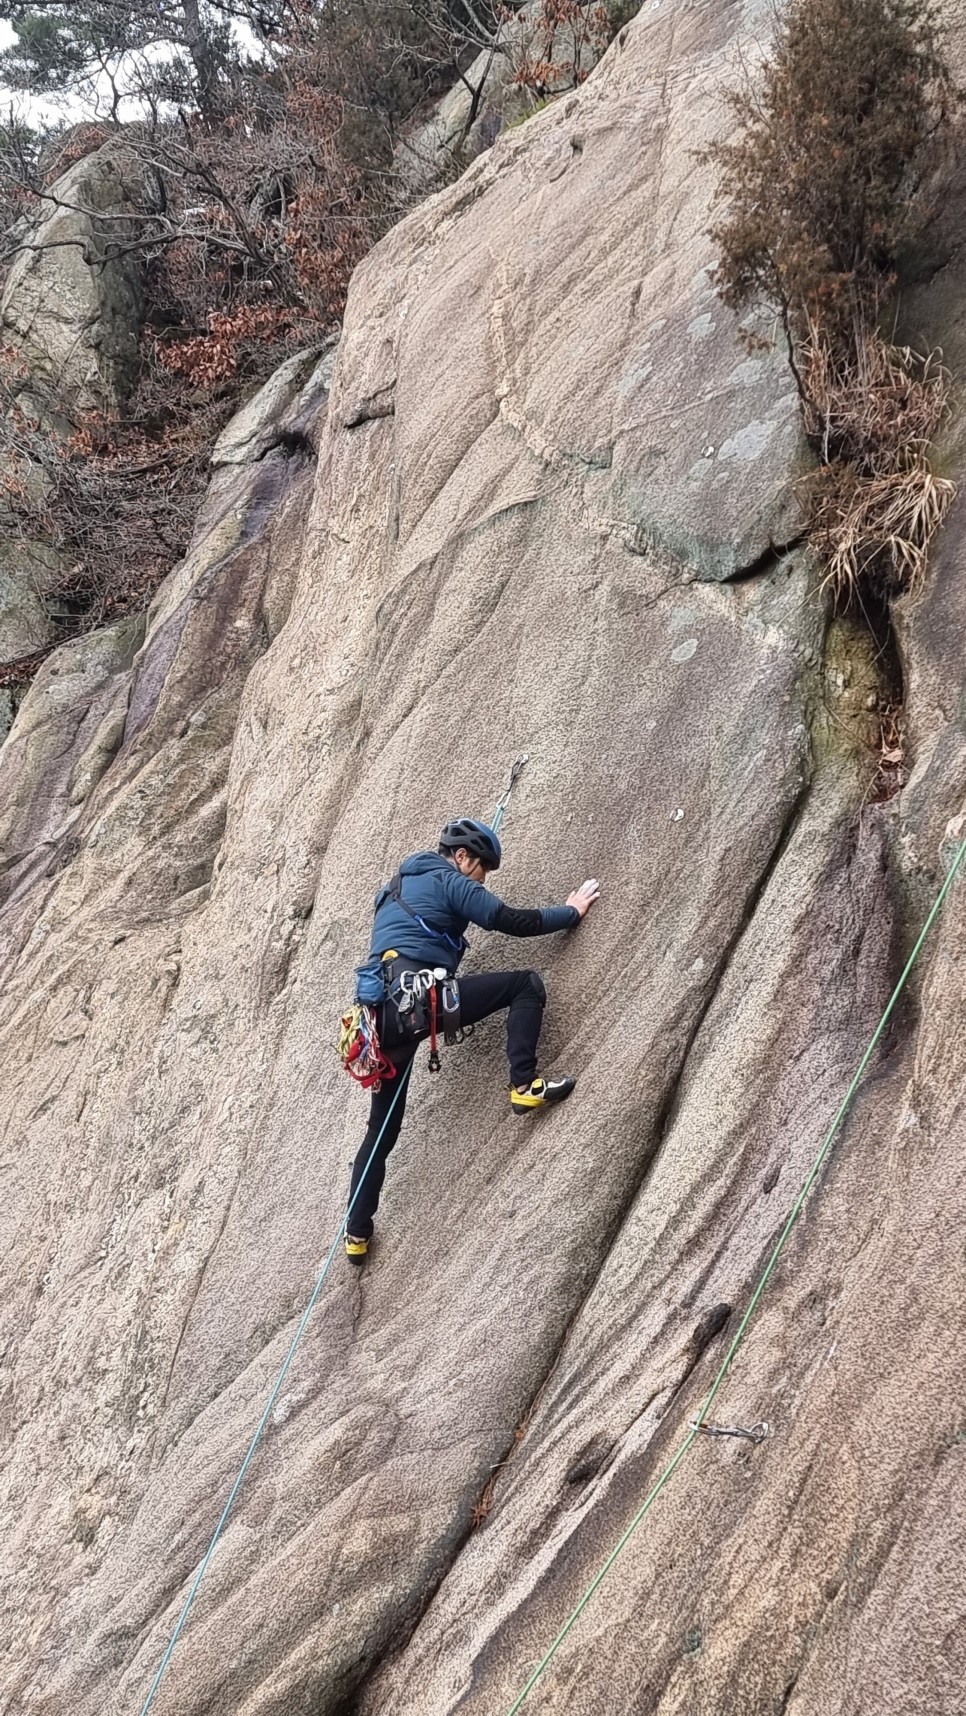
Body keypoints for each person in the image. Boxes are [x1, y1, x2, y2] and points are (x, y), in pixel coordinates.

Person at [345, 817, 599, 1263]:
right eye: (482, 869)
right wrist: (569, 912)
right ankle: (524, 1085)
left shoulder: (395, 887)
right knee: (525, 985)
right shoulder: (447, 878)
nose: (483, 879)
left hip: (379, 1023)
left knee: (379, 1133)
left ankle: (356, 1232)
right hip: (421, 1003)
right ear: (463, 858)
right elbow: (506, 919)